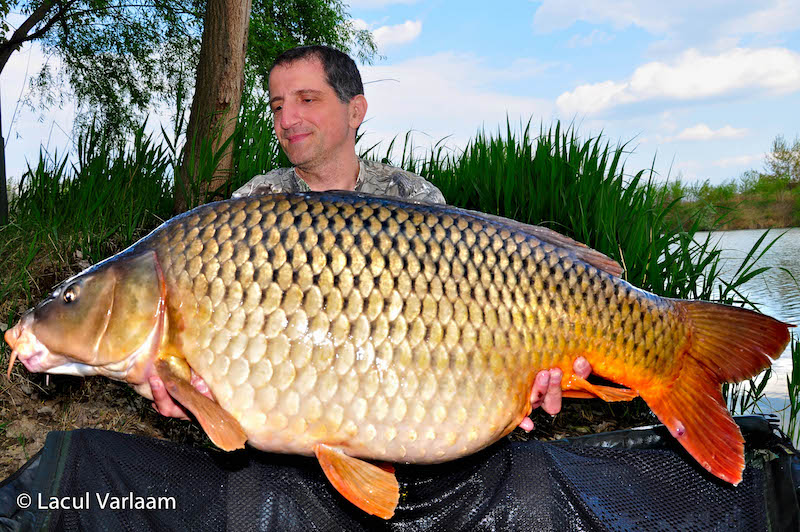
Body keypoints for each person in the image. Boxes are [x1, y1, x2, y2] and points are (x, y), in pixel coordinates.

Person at [149, 45, 592, 430]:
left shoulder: (415, 198)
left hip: (406, 408)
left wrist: (517, 376)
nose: (287, 118)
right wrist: (191, 388)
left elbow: (463, 325)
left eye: (307, 99)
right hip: (297, 413)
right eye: (277, 105)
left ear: (355, 110)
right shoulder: (251, 206)